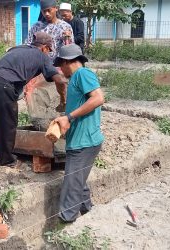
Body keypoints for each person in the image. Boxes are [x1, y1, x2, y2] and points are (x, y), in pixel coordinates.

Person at [0, 32, 67, 167]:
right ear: (44, 47)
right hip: (3, 84)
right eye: (49, 50)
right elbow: (60, 80)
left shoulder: (17, 49)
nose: (48, 53)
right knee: (6, 123)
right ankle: (6, 159)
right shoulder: (42, 56)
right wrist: (63, 100)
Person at [53, 44, 104, 223]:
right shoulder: (77, 78)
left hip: (84, 143)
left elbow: (98, 98)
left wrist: (69, 117)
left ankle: (66, 224)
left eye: (60, 64)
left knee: (71, 187)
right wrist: (66, 120)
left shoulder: (82, 74)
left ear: (67, 62)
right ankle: (88, 214)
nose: (60, 69)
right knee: (77, 181)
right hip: (82, 141)